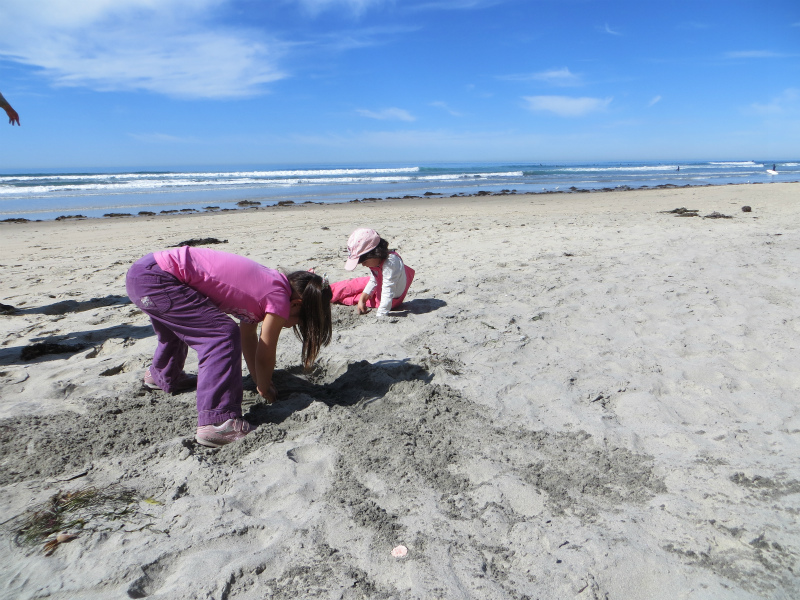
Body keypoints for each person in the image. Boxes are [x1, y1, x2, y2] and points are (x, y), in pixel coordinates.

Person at [126, 246, 332, 447]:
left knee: (177, 331)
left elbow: (249, 338)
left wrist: (258, 379)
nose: (294, 324)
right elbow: (266, 352)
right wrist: (263, 386)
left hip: (146, 271)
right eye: (299, 321)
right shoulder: (280, 298)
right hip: (159, 279)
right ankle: (217, 422)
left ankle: (162, 375)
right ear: (296, 304)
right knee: (222, 335)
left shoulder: (269, 286)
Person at [330, 228, 415, 318]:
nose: (363, 265)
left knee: (350, 297)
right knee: (351, 285)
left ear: (374, 254)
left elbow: (388, 290)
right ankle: (327, 292)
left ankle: (327, 295)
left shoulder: (391, 263)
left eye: (364, 262)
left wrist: (381, 314)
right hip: (380, 288)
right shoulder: (377, 261)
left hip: (386, 299)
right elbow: (374, 280)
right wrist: (363, 299)